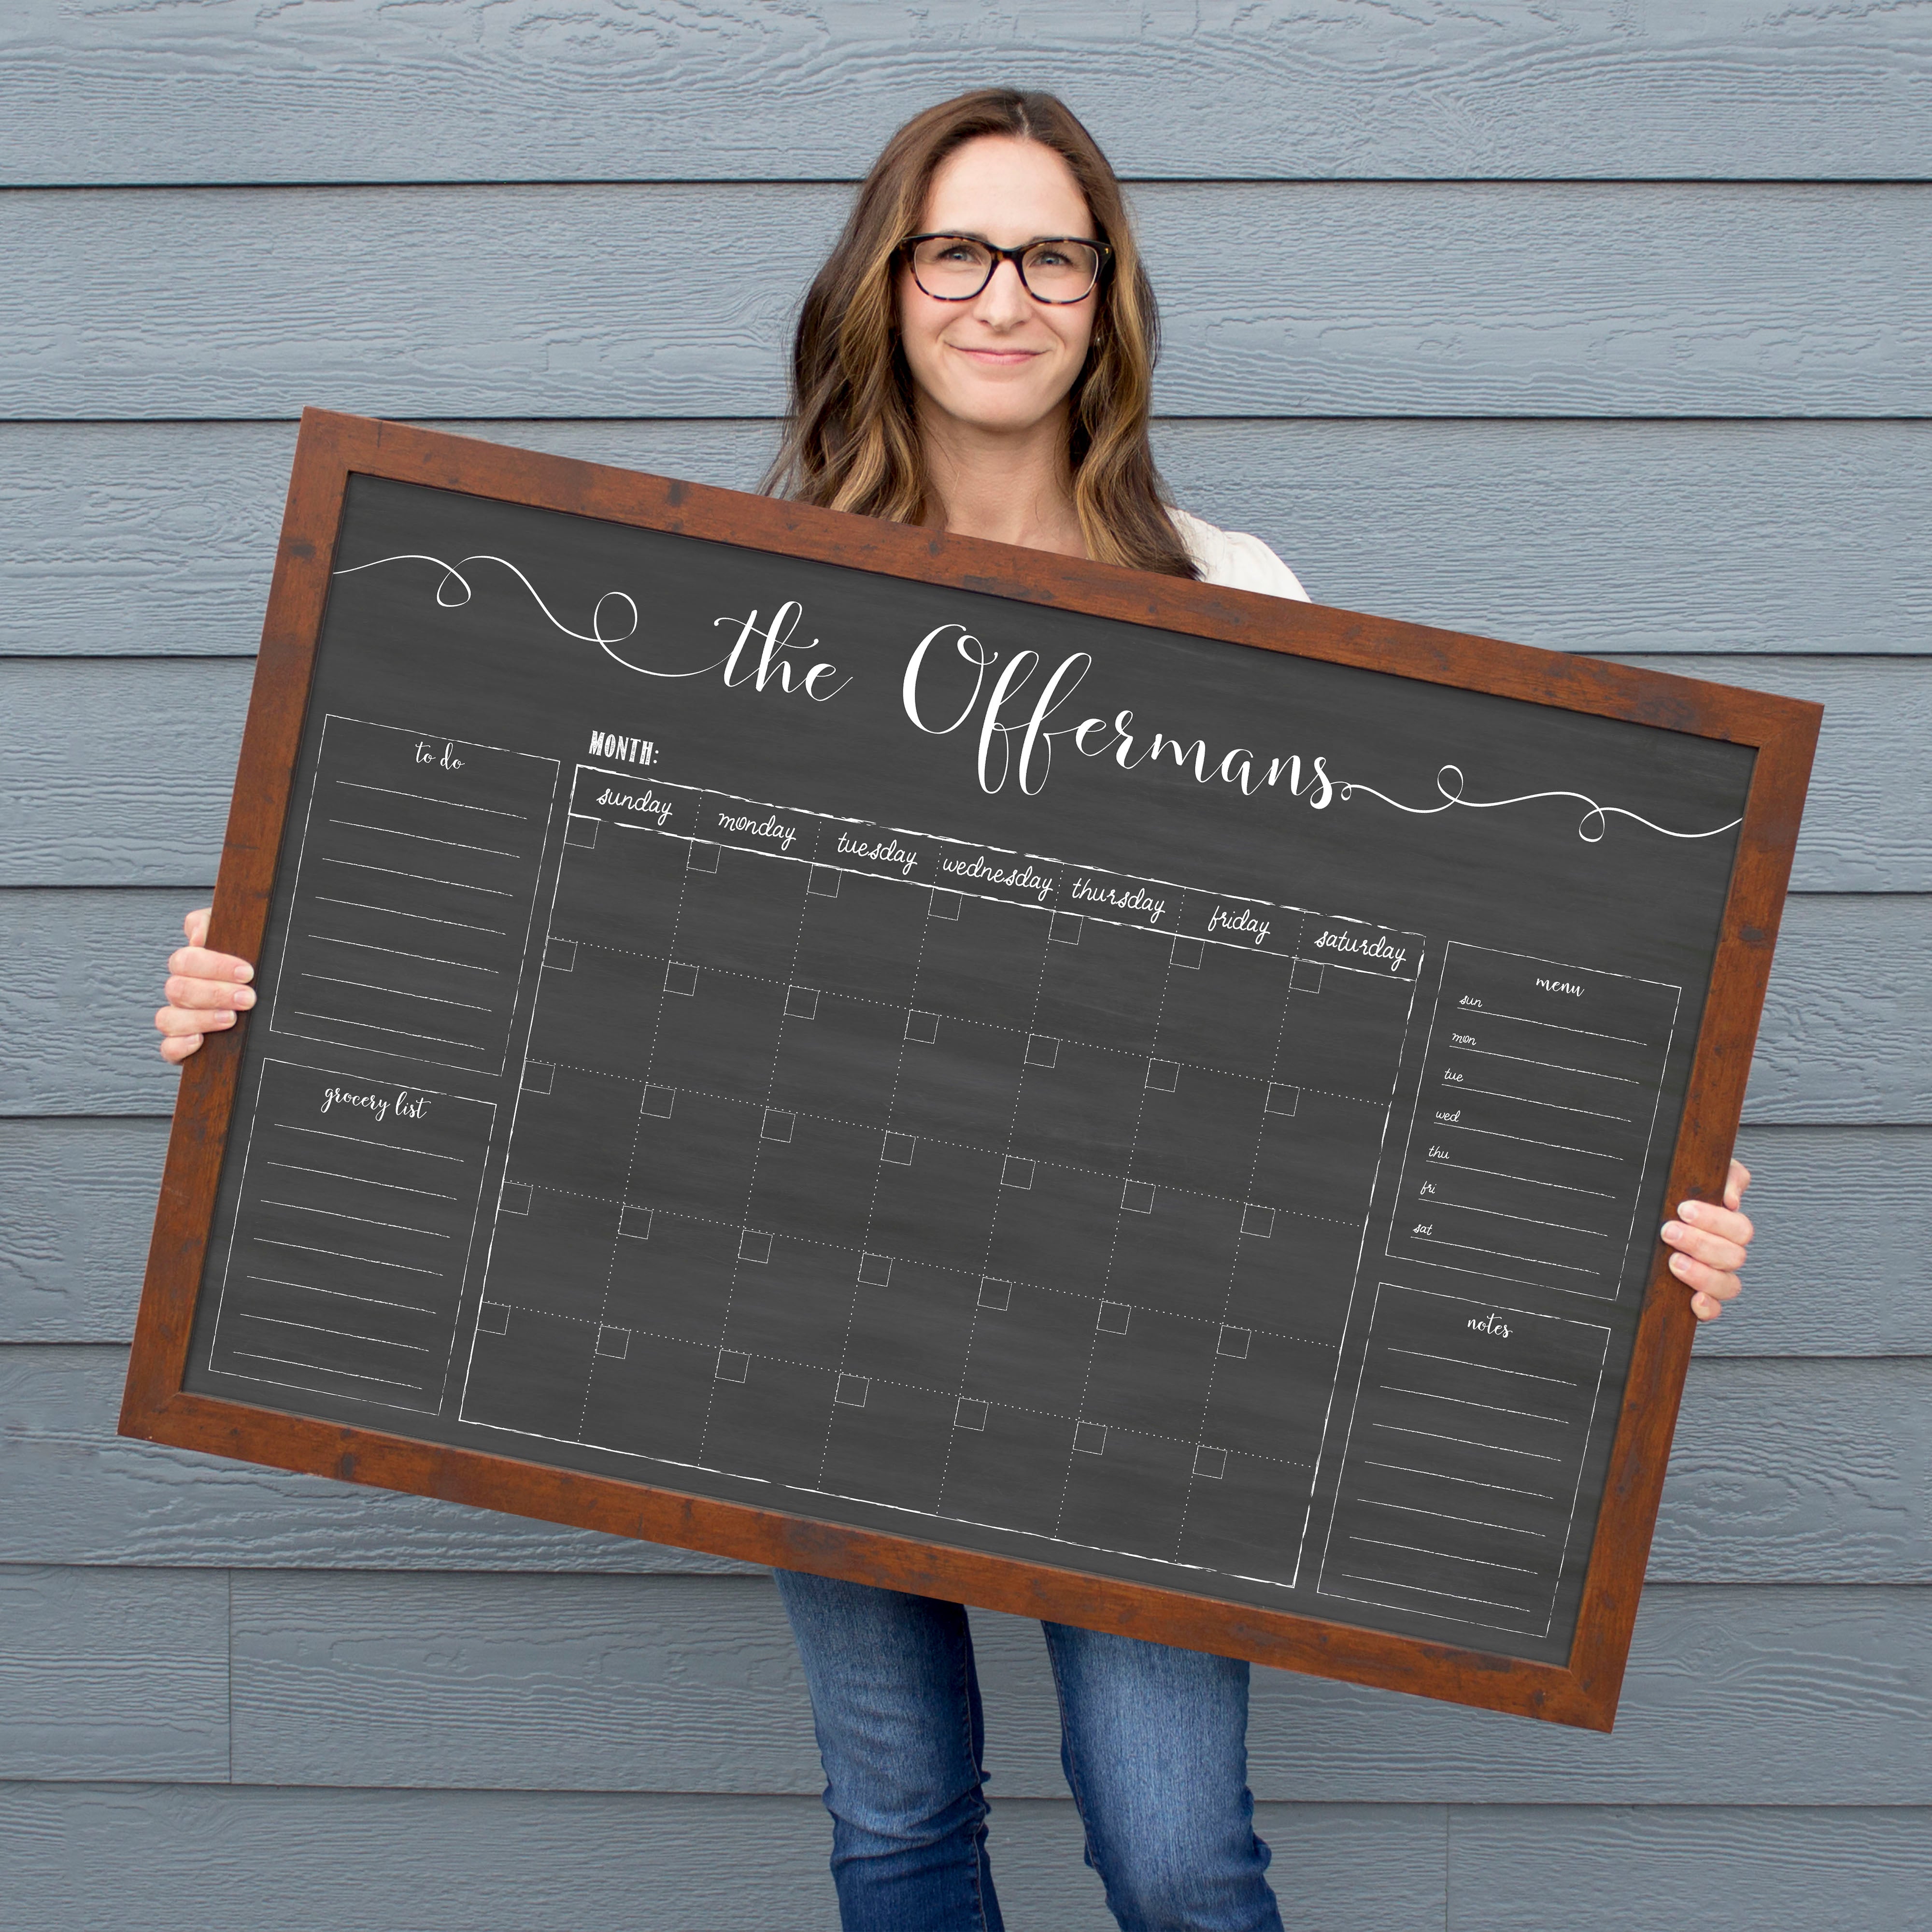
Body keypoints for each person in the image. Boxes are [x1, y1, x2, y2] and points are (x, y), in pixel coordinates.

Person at [153, 89, 1756, 1932]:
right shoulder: (739, 601)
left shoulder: (1232, 597)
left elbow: (1393, 1008)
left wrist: (1640, 1193)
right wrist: (286, 976)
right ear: (888, 287)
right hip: (809, 1282)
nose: (1008, 295)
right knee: (900, 1819)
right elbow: (578, 952)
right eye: (960, 251)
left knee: (1178, 1851)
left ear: (1107, 294)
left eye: (1053, 254)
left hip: (1152, 1324)